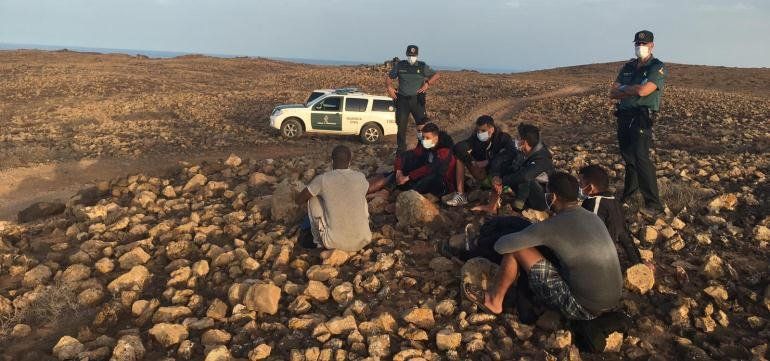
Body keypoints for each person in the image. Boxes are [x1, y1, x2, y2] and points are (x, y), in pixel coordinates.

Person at [480, 172, 623, 319]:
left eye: (546, 193)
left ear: (553, 197)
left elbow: (501, 246)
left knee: (516, 250)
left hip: (584, 307)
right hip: (613, 301)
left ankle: (494, 301)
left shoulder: (553, 225)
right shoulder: (592, 217)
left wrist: (531, 234)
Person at [610, 30, 667, 216]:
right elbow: (613, 92)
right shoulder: (628, 67)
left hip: (642, 116)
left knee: (641, 157)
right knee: (629, 158)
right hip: (624, 115)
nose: (640, 47)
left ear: (652, 45)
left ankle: (654, 204)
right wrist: (633, 89)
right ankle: (629, 195)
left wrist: (626, 90)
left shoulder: (656, 67)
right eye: (638, 44)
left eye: (643, 44)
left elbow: (645, 91)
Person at [295, 145, 372, 252]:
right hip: (363, 239)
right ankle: (362, 228)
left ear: (332, 161)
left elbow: (299, 200)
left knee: (313, 197)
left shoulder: (323, 179)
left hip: (334, 242)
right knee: (361, 197)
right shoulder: (360, 177)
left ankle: (318, 242)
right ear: (350, 162)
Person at [578, 165, 654, 271]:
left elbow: (589, 236)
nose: (579, 187)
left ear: (590, 187)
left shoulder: (593, 204)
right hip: (610, 258)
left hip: (595, 262)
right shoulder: (613, 201)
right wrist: (638, 262)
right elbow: (625, 235)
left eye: (580, 183)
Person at [472, 123, 553, 214]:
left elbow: (525, 176)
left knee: (523, 174)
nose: (516, 140)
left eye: (518, 138)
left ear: (524, 142)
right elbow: (500, 159)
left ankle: (521, 205)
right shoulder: (525, 149)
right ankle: (492, 206)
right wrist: (496, 176)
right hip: (527, 193)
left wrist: (502, 181)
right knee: (506, 165)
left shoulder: (542, 157)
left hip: (542, 200)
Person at [445, 115, 514, 207]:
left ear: (492, 129)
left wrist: (488, 161)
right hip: (484, 174)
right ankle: (461, 195)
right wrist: (471, 161)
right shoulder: (476, 138)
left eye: (483, 131)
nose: (480, 133)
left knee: (504, 160)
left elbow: (511, 153)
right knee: (460, 158)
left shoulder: (503, 138)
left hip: (500, 175)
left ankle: (499, 195)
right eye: (478, 130)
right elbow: (459, 147)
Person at [387, 45, 440, 154]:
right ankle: (401, 150)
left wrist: (427, 83)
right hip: (402, 100)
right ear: (407, 55)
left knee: (422, 126)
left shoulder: (422, 66)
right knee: (401, 127)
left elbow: (436, 75)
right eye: (410, 55)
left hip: (417, 101)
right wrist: (389, 88)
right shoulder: (400, 65)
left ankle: (423, 148)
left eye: (414, 55)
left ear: (417, 55)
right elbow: (389, 78)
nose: (412, 57)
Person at [392, 122, 456, 197]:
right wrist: (399, 171)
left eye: (427, 138)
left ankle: (408, 193)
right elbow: (406, 155)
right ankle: (398, 187)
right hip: (428, 176)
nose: (424, 140)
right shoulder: (426, 147)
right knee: (409, 162)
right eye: (423, 137)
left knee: (431, 177)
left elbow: (431, 168)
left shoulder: (445, 151)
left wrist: (408, 177)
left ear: (436, 138)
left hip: (444, 182)